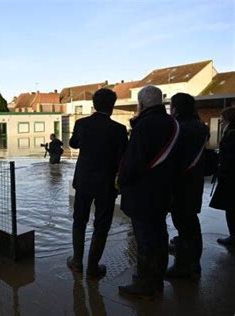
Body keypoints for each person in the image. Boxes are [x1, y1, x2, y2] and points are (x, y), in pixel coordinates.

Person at [118, 86, 180, 297]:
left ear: (141, 104)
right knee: (159, 234)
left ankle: (146, 285)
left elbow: (134, 161)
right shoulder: (172, 123)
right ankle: (156, 278)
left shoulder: (145, 125)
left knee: (144, 239)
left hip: (144, 192)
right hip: (164, 190)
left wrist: (121, 180)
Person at [66, 88, 128, 278]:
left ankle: (77, 262)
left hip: (84, 181)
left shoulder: (81, 124)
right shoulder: (119, 130)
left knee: (79, 221)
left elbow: (73, 144)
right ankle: (93, 267)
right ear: (112, 107)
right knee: (101, 225)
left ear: (93, 104)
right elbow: (123, 158)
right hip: (107, 185)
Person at [166, 93, 209, 279]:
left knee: (184, 224)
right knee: (191, 223)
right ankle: (193, 262)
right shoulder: (199, 125)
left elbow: (173, 157)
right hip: (194, 181)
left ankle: (184, 266)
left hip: (181, 183)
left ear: (176, 108)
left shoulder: (179, 128)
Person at [209, 106, 235, 246]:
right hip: (229, 175)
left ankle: (233, 237)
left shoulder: (231, 134)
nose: (221, 122)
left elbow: (229, 155)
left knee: (231, 208)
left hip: (230, 177)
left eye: (223, 119)